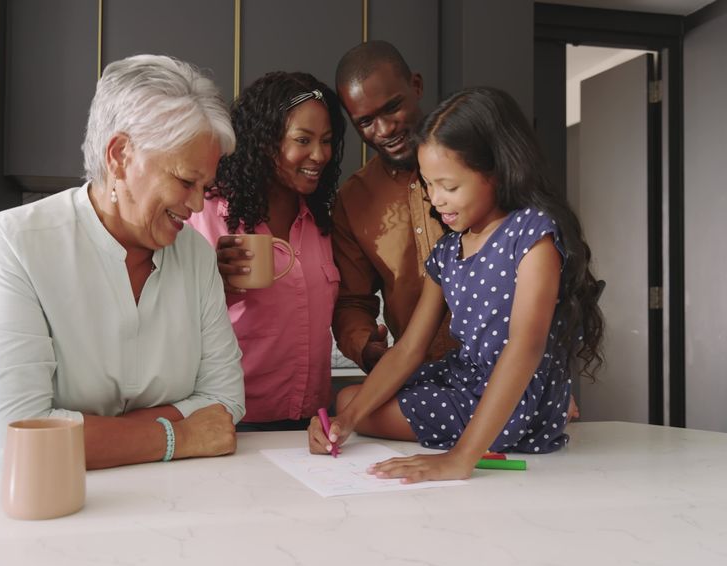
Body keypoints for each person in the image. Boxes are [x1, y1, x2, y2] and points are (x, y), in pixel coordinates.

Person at [0, 55, 246, 469]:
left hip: (124, 481)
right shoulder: (12, 245)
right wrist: (178, 434)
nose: (197, 205)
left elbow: (224, 400)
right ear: (120, 154)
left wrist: (104, 437)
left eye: (206, 186)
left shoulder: (194, 256)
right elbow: (19, 438)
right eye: (185, 181)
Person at [308, 87, 604, 483]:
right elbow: (411, 347)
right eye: (428, 185)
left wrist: (460, 458)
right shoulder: (450, 250)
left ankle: (483, 436)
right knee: (348, 401)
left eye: (449, 186)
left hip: (514, 399)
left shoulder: (532, 235)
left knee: (363, 407)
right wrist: (344, 423)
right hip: (468, 381)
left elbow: (525, 346)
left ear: (495, 171)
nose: (437, 200)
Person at [187, 71, 345, 430]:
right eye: (303, 140)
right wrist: (213, 284)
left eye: (327, 140)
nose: (319, 155)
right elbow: (166, 319)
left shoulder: (321, 222)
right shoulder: (205, 213)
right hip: (231, 423)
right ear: (264, 141)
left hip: (309, 425)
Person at [330, 40, 459, 374]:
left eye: (392, 108)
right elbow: (352, 301)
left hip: (501, 374)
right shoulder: (353, 200)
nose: (384, 129)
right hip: (419, 379)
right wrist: (365, 346)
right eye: (366, 121)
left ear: (416, 86)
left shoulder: (475, 160)